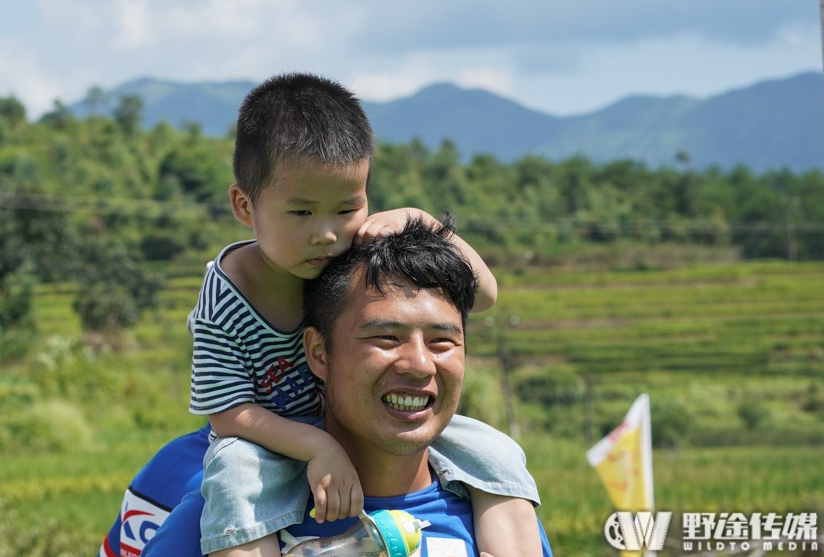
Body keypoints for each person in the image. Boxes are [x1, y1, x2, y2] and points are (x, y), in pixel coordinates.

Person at [99, 72, 540, 557]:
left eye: (346, 208)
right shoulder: (228, 294)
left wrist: (423, 222)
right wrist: (316, 446)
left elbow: (485, 293)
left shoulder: (357, 264)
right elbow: (226, 415)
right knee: (237, 475)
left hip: (355, 428)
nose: (328, 235)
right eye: (302, 213)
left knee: (493, 448)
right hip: (263, 438)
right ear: (244, 205)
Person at [143, 218, 551, 556]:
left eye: (442, 342)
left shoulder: (503, 509)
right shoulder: (229, 514)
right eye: (386, 338)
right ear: (319, 352)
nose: (419, 364)